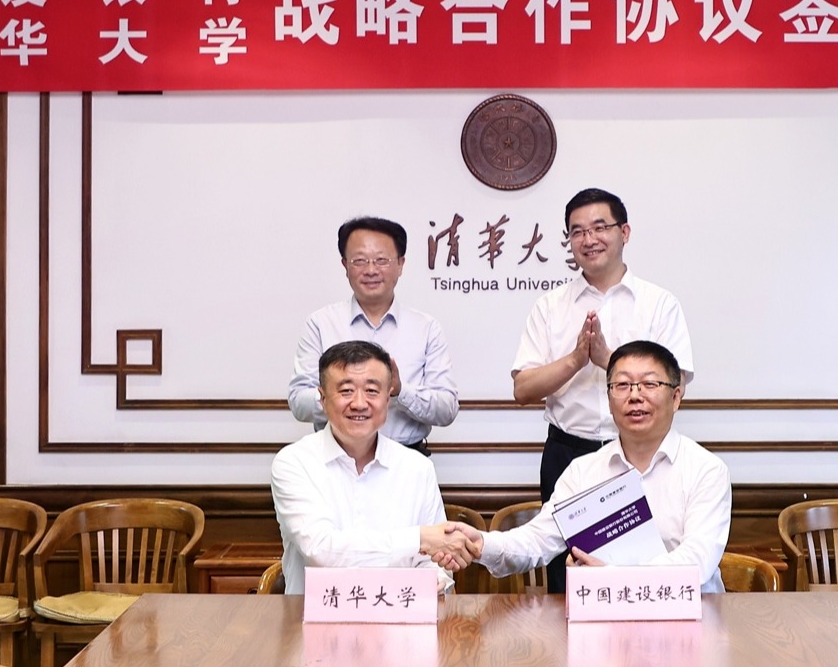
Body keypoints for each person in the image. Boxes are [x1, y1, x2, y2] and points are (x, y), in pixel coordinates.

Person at [511, 188, 693, 591]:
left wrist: (607, 358)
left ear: (624, 232)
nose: (588, 239)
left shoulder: (659, 303)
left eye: (599, 227)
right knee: (568, 574)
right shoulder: (551, 305)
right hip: (569, 454)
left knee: (639, 568)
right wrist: (576, 359)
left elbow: (675, 381)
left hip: (639, 456)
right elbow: (523, 388)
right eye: (577, 232)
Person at [444, 341, 730, 592]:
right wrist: (481, 544)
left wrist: (611, 577)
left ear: (676, 397)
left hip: (692, 620)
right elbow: (537, 540)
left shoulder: (706, 470)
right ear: (609, 398)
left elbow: (697, 561)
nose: (635, 395)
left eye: (649, 384)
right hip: (604, 621)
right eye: (622, 385)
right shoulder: (583, 472)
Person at [272, 340, 477, 595]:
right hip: (312, 616)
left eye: (371, 391)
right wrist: (419, 539)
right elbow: (322, 551)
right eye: (346, 391)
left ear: (388, 398)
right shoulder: (294, 463)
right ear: (323, 399)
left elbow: (434, 559)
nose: (359, 403)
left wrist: (437, 578)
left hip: (402, 615)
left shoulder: (417, 468)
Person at [289, 216, 458, 454]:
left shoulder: (426, 328)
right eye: (359, 260)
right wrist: (340, 396)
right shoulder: (320, 323)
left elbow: (447, 409)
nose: (370, 270)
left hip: (407, 459)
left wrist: (400, 391)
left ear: (400, 264)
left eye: (381, 260)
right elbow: (298, 402)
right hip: (335, 460)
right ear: (345, 265)